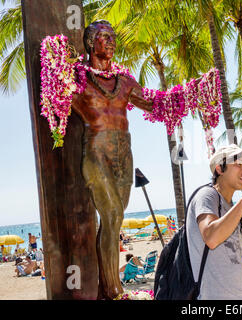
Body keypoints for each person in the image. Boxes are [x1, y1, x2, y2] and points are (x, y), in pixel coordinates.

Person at [71, 20, 154, 300]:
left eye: (113, 37)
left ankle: (105, 289)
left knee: (113, 222)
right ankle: (115, 290)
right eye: (104, 36)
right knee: (113, 214)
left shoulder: (125, 81)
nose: (111, 41)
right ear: (90, 42)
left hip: (124, 153)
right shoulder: (77, 78)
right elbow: (54, 100)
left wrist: (190, 96)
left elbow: (154, 103)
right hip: (96, 151)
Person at [186, 144, 242, 300]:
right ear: (219, 169)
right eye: (238, 164)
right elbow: (211, 238)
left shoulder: (230, 206)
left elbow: (233, 255)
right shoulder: (207, 195)